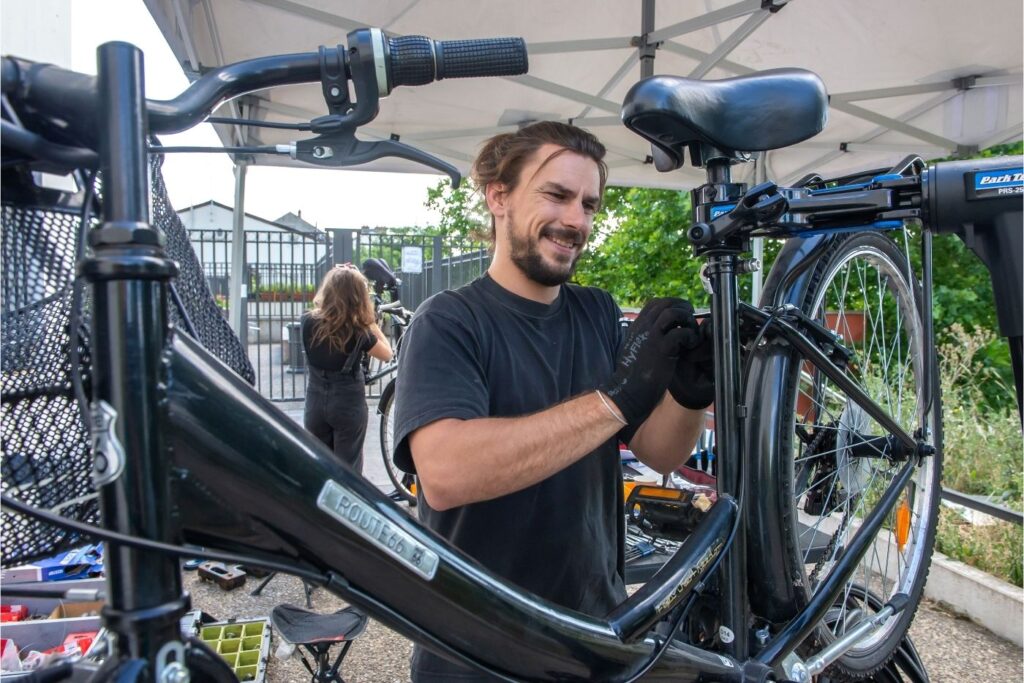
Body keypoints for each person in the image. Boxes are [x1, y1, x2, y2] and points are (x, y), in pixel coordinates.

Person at [393, 121, 715, 682]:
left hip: (595, 633)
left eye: (589, 204)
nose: (576, 220)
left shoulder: (596, 311)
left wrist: (688, 395)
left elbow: (660, 453)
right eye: (557, 195)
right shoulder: (447, 322)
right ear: (499, 197)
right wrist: (614, 400)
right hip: (477, 650)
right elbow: (444, 472)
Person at [302, 264, 393, 474]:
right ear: (358, 296)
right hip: (347, 404)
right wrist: (369, 321)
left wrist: (339, 275)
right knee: (348, 470)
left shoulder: (307, 321)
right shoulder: (359, 331)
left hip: (315, 401)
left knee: (318, 466)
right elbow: (387, 353)